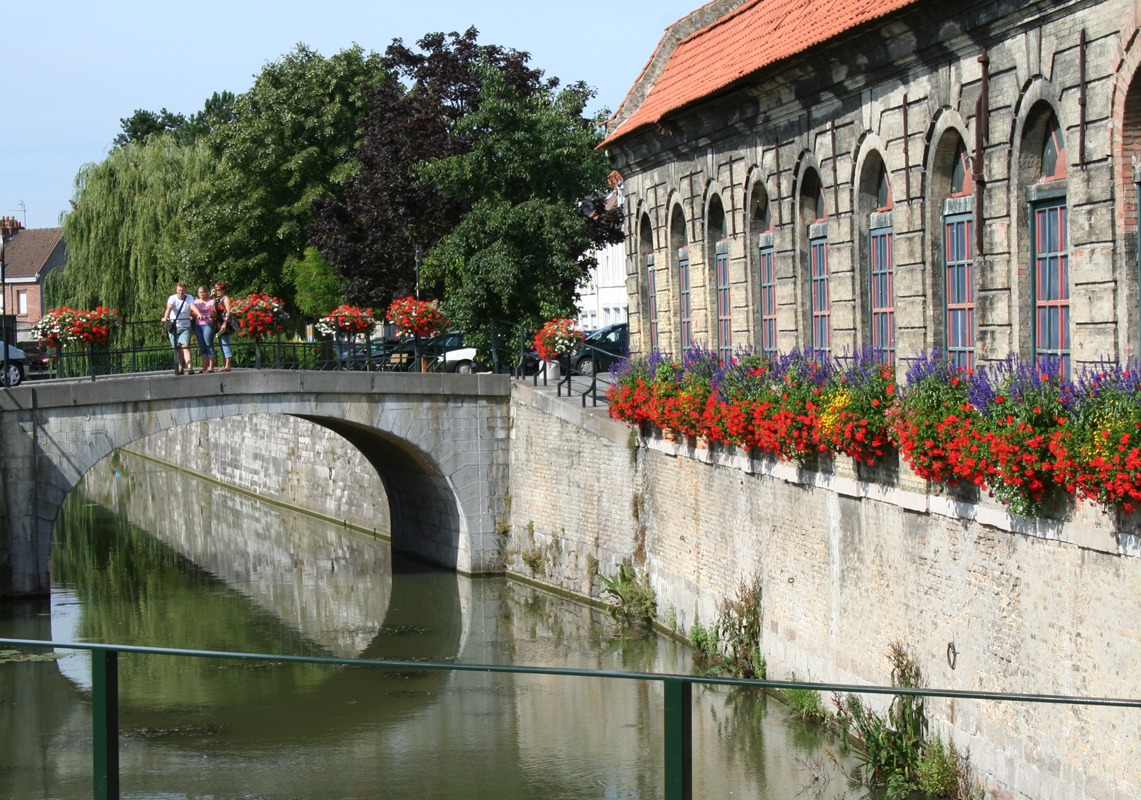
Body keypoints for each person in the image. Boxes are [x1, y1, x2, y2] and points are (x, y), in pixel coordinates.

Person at [162, 283, 194, 375]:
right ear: (176, 290)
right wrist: (165, 317)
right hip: (174, 326)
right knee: (177, 348)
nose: (181, 292)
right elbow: (169, 307)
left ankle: (189, 368)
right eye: (179, 290)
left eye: (183, 290)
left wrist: (198, 314)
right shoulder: (172, 298)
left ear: (186, 290)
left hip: (185, 325)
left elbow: (192, 306)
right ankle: (180, 367)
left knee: (185, 346)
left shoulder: (189, 297)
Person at [190, 285, 217, 373]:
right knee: (202, 346)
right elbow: (191, 313)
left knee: (209, 344)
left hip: (208, 324)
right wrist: (195, 315)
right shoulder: (196, 302)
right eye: (200, 292)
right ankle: (204, 367)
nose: (202, 294)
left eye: (203, 292)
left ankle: (211, 367)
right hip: (198, 324)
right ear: (198, 293)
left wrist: (212, 310)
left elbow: (215, 315)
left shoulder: (211, 301)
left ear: (206, 292)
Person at [213, 281, 234, 371]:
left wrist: (225, 322)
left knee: (225, 344)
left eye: (219, 290)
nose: (217, 291)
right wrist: (211, 295)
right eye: (216, 290)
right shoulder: (218, 299)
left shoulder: (226, 299)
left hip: (225, 323)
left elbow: (228, 310)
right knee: (222, 345)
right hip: (219, 323)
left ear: (224, 290)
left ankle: (228, 365)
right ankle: (224, 364)